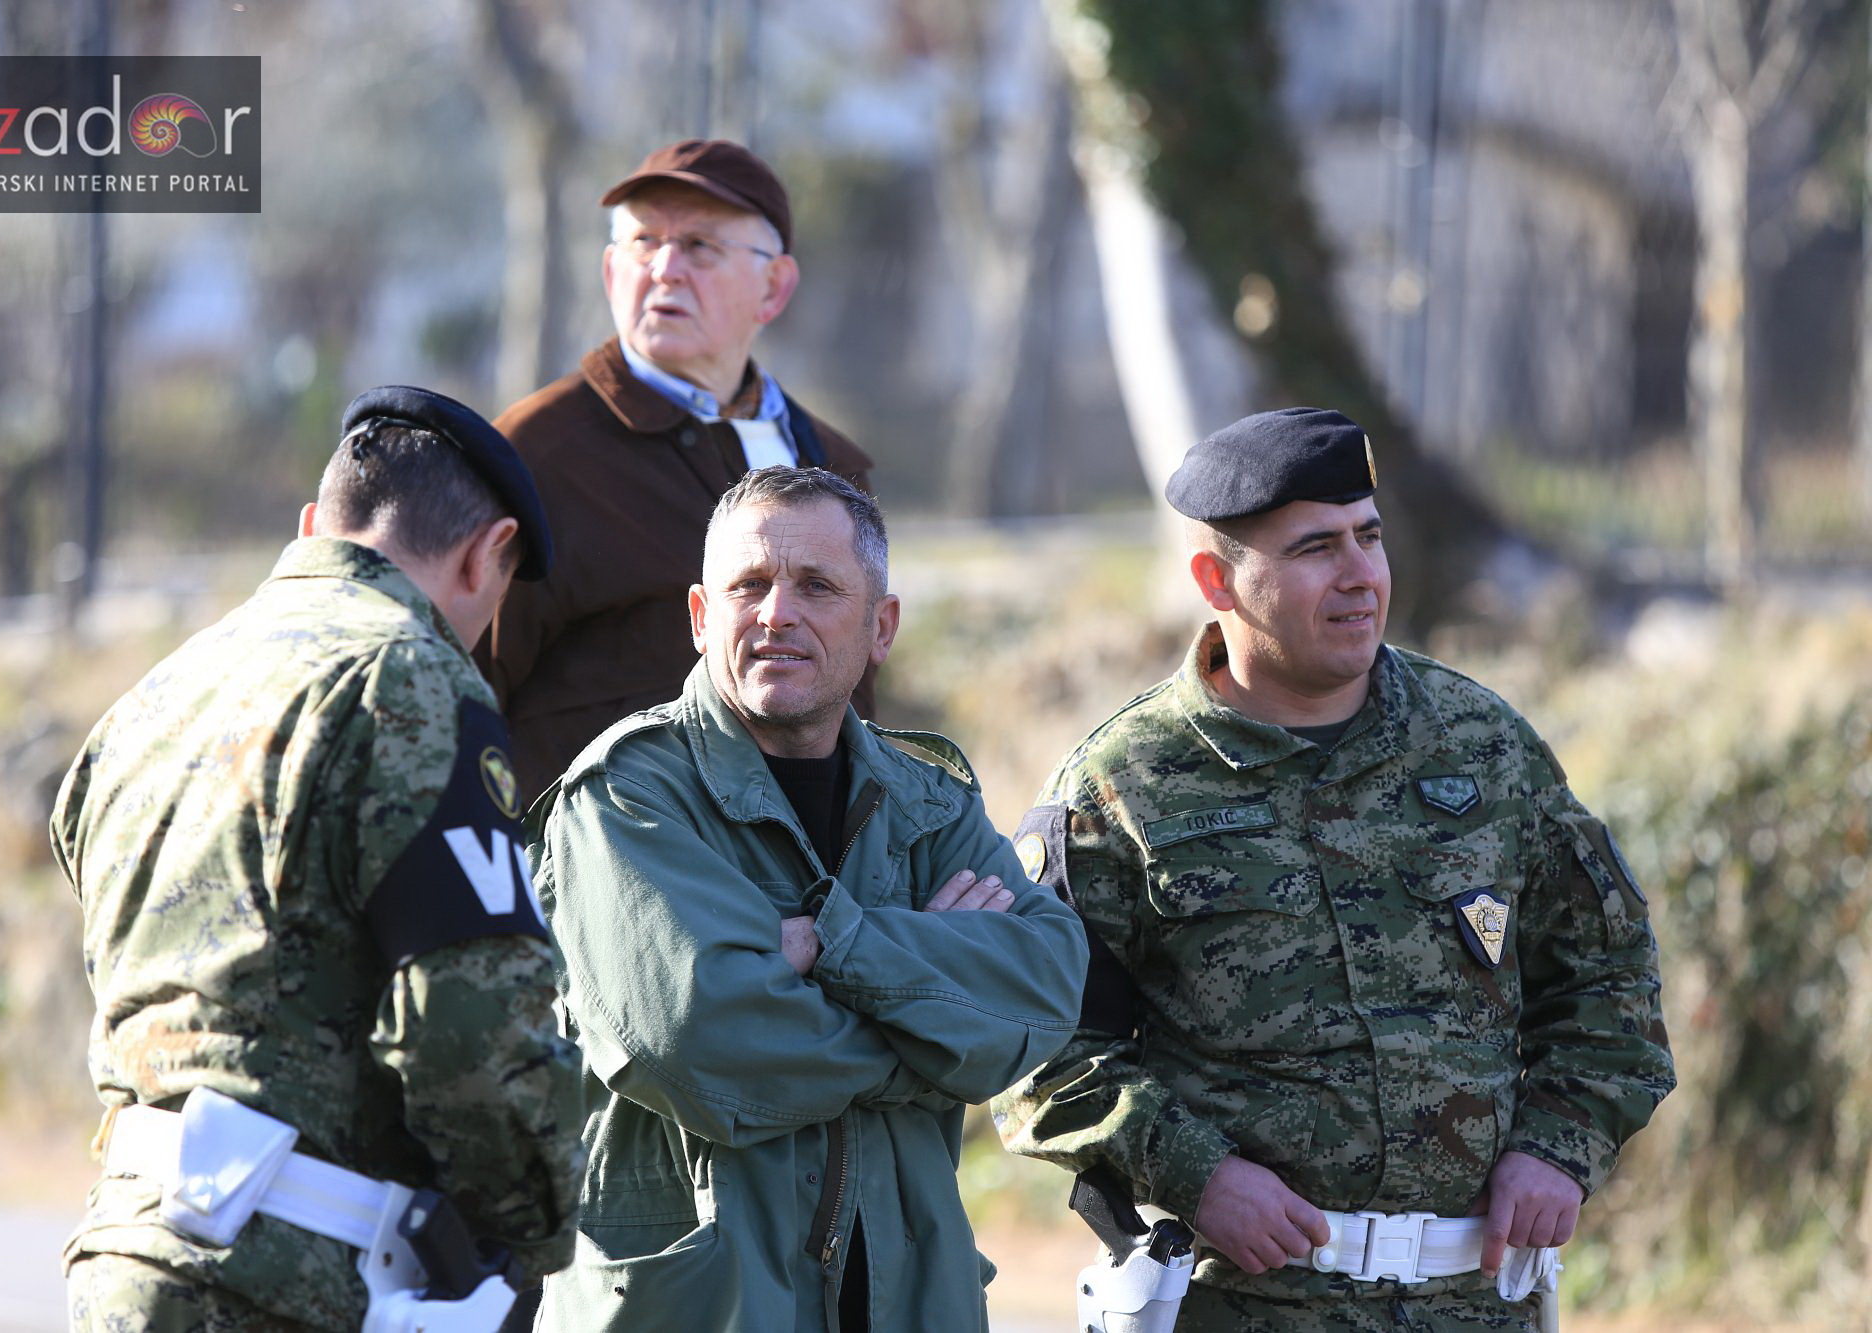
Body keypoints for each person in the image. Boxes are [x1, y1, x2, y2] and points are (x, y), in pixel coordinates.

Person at [992, 408, 1675, 1331]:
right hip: (1246, 1303)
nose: (1359, 574)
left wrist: (1560, 1142)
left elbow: (1606, 971)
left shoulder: (1483, 746)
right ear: (1216, 580)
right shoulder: (1121, 787)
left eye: (1370, 536)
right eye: (1315, 548)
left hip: (1471, 1304)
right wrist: (1197, 1171)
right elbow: (1035, 1045)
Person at [53, 387, 585, 1330]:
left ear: (315, 526)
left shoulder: (149, 700)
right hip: (293, 1280)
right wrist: (537, 1228)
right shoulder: (408, 677)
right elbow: (469, 1029)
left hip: (125, 1252)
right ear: (485, 553)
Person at [533, 466, 1088, 1331]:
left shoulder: (928, 800)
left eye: (817, 586)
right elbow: (698, 1036)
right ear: (699, 616)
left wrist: (818, 945)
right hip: (698, 1309)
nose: (776, 613)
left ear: (882, 625)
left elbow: (1044, 986)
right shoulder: (625, 796)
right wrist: (928, 1025)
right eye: (747, 585)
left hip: (910, 1303)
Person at [480, 137, 876, 797]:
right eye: (643, 242)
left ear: (773, 287)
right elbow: (460, 697)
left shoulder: (836, 465)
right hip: (601, 879)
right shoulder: (533, 455)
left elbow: (858, 706)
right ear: (611, 273)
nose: (665, 267)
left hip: (810, 878)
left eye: (700, 246)